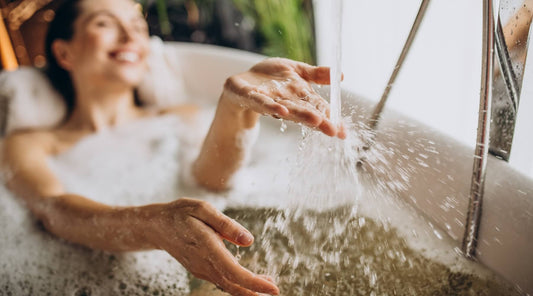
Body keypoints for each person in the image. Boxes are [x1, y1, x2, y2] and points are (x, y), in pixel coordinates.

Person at [0, 0, 344, 295]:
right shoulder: (29, 143)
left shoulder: (180, 115)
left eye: (136, 23)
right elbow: (55, 211)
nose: (130, 35)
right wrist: (156, 224)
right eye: (105, 23)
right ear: (64, 51)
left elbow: (213, 179)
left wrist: (234, 104)